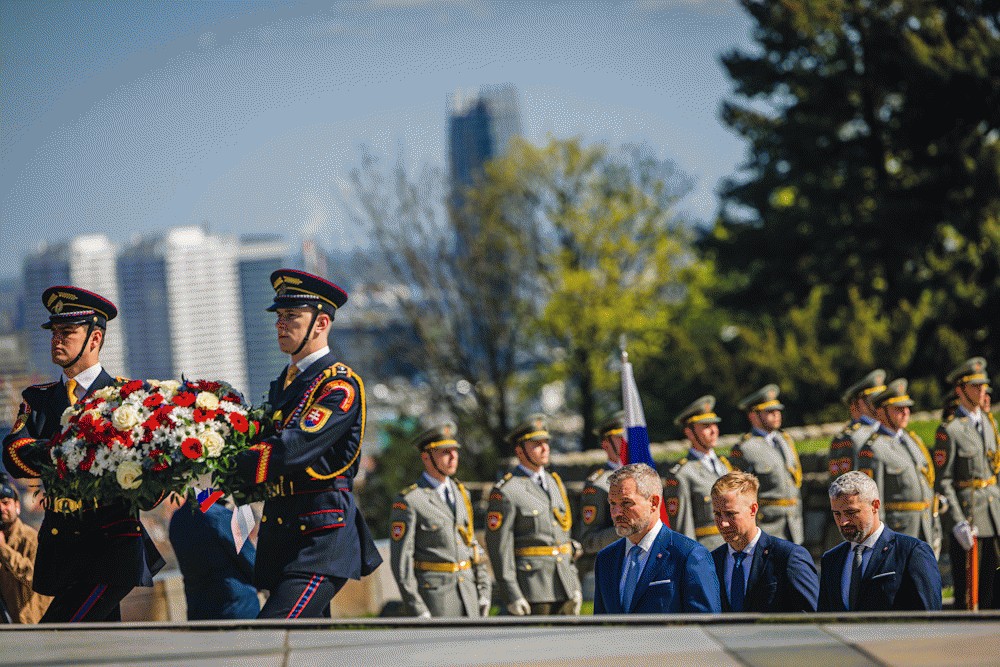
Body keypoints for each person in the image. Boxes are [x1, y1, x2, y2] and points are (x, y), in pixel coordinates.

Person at [1, 286, 164, 623]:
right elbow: (14, 454)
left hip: (111, 546)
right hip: (63, 548)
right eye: (54, 332)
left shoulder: (127, 398)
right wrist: (73, 452)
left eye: (67, 333)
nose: (56, 340)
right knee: (93, 649)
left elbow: (155, 480)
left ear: (94, 339)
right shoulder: (39, 398)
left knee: (55, 637)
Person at [234, 269, 382, 619]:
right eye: (279, 317)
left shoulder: (338, 386)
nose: (281, 325)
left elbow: (292, 448)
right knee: (306, 651)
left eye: (292, 316)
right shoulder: (282, 386)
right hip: (285, 535)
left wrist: (226, 462)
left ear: (321, 323)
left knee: (271, 638)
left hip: (320, 538)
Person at [389, 422, 491, 618]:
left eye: (454, 450)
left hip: (469, 594)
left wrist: (484, 591)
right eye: (445, 452)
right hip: (435, 599)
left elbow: (472, 545)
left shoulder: (462, 494)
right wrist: (416, 607)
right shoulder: (411, 501)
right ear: (426, 457)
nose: (453, 457)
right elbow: (402, 563)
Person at [485, 414, 582, 616]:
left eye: (546, 442)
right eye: (536, 444)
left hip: (563, 584)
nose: (545, 448)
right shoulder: (507, 491)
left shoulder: (554, 483)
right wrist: (512, 594)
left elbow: (562, 537)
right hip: (531, 588)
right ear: (519, 451)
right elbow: (500, 549)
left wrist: (574, 584)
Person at [593, 463, 721, 614]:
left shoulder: (689, 555)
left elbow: (707, 626)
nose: (616, 512)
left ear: (653, 503)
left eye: (626, 503)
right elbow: (600, 625)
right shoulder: (606, 559)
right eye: (612, 504)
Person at [818, 471, 941, 612]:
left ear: (875, 506)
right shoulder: (831, 560)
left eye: (851, 513)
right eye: (837, 514)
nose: (843, 522)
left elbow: (929, 617)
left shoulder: (911, 552)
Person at [933, 356, 999, 609]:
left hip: (993, 515)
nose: (982, 390)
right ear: (960, 390)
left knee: (994, 591)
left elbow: (995, 470)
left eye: (983, 385)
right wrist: (958, 520)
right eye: (975, 386)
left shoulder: (989, 425)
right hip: (970, 519)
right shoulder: (950, 430)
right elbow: (944, 481)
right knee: (969, 596)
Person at [709, 471, 818, 612]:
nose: (723, 523)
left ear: (753, 509)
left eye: (730, 514)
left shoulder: (787, 557)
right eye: (717, 514)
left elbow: (812, 617)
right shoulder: (713, 561)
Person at [856, 379, 942, 558]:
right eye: (898, 409)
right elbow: (872, 501)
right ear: (881, 412)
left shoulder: (913, 441)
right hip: (898, 531)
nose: (905, 412)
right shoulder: (873, 448)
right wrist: (881, 540)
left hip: (924, 527)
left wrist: (935, 527)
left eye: (907, 407)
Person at [729, 384, 804, 544]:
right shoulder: (745, 448)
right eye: (769, 412)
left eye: (777, 410)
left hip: (793, 525)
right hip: (767, 526)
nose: (776, 415)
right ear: (753, 416)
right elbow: (740, 494)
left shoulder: (785, 440)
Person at [169, 497, 260, 620]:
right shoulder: (220, 515)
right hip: (236, 607)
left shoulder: (177, 519)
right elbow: (252, 561)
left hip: (198, 609)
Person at [663, 396, 730, 549]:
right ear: (690, 432)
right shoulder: (682, 474)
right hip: (708, 552)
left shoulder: (725, 466)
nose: (714, 430)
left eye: (714, 424)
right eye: (706, 426)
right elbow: (682, 529)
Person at [576, 411, 625, 576]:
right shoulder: (598, 484)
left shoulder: (646, 476)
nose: (627, 441)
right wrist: (624, 530)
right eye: (620, 437)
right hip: (618, 566)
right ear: (605, 444)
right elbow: (588, 540)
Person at [0, 474, 51, 623]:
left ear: (17, 506)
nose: (1, 508)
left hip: (29, 625)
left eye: (5, 502)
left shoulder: (31, 538)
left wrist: (4, 549)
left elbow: (36, 579)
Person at [828, 369, 887, 477]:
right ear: (860, 403)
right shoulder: (847, 438)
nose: (880, 403)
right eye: (874, 400)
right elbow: (843, 484)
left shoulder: (884, 430)